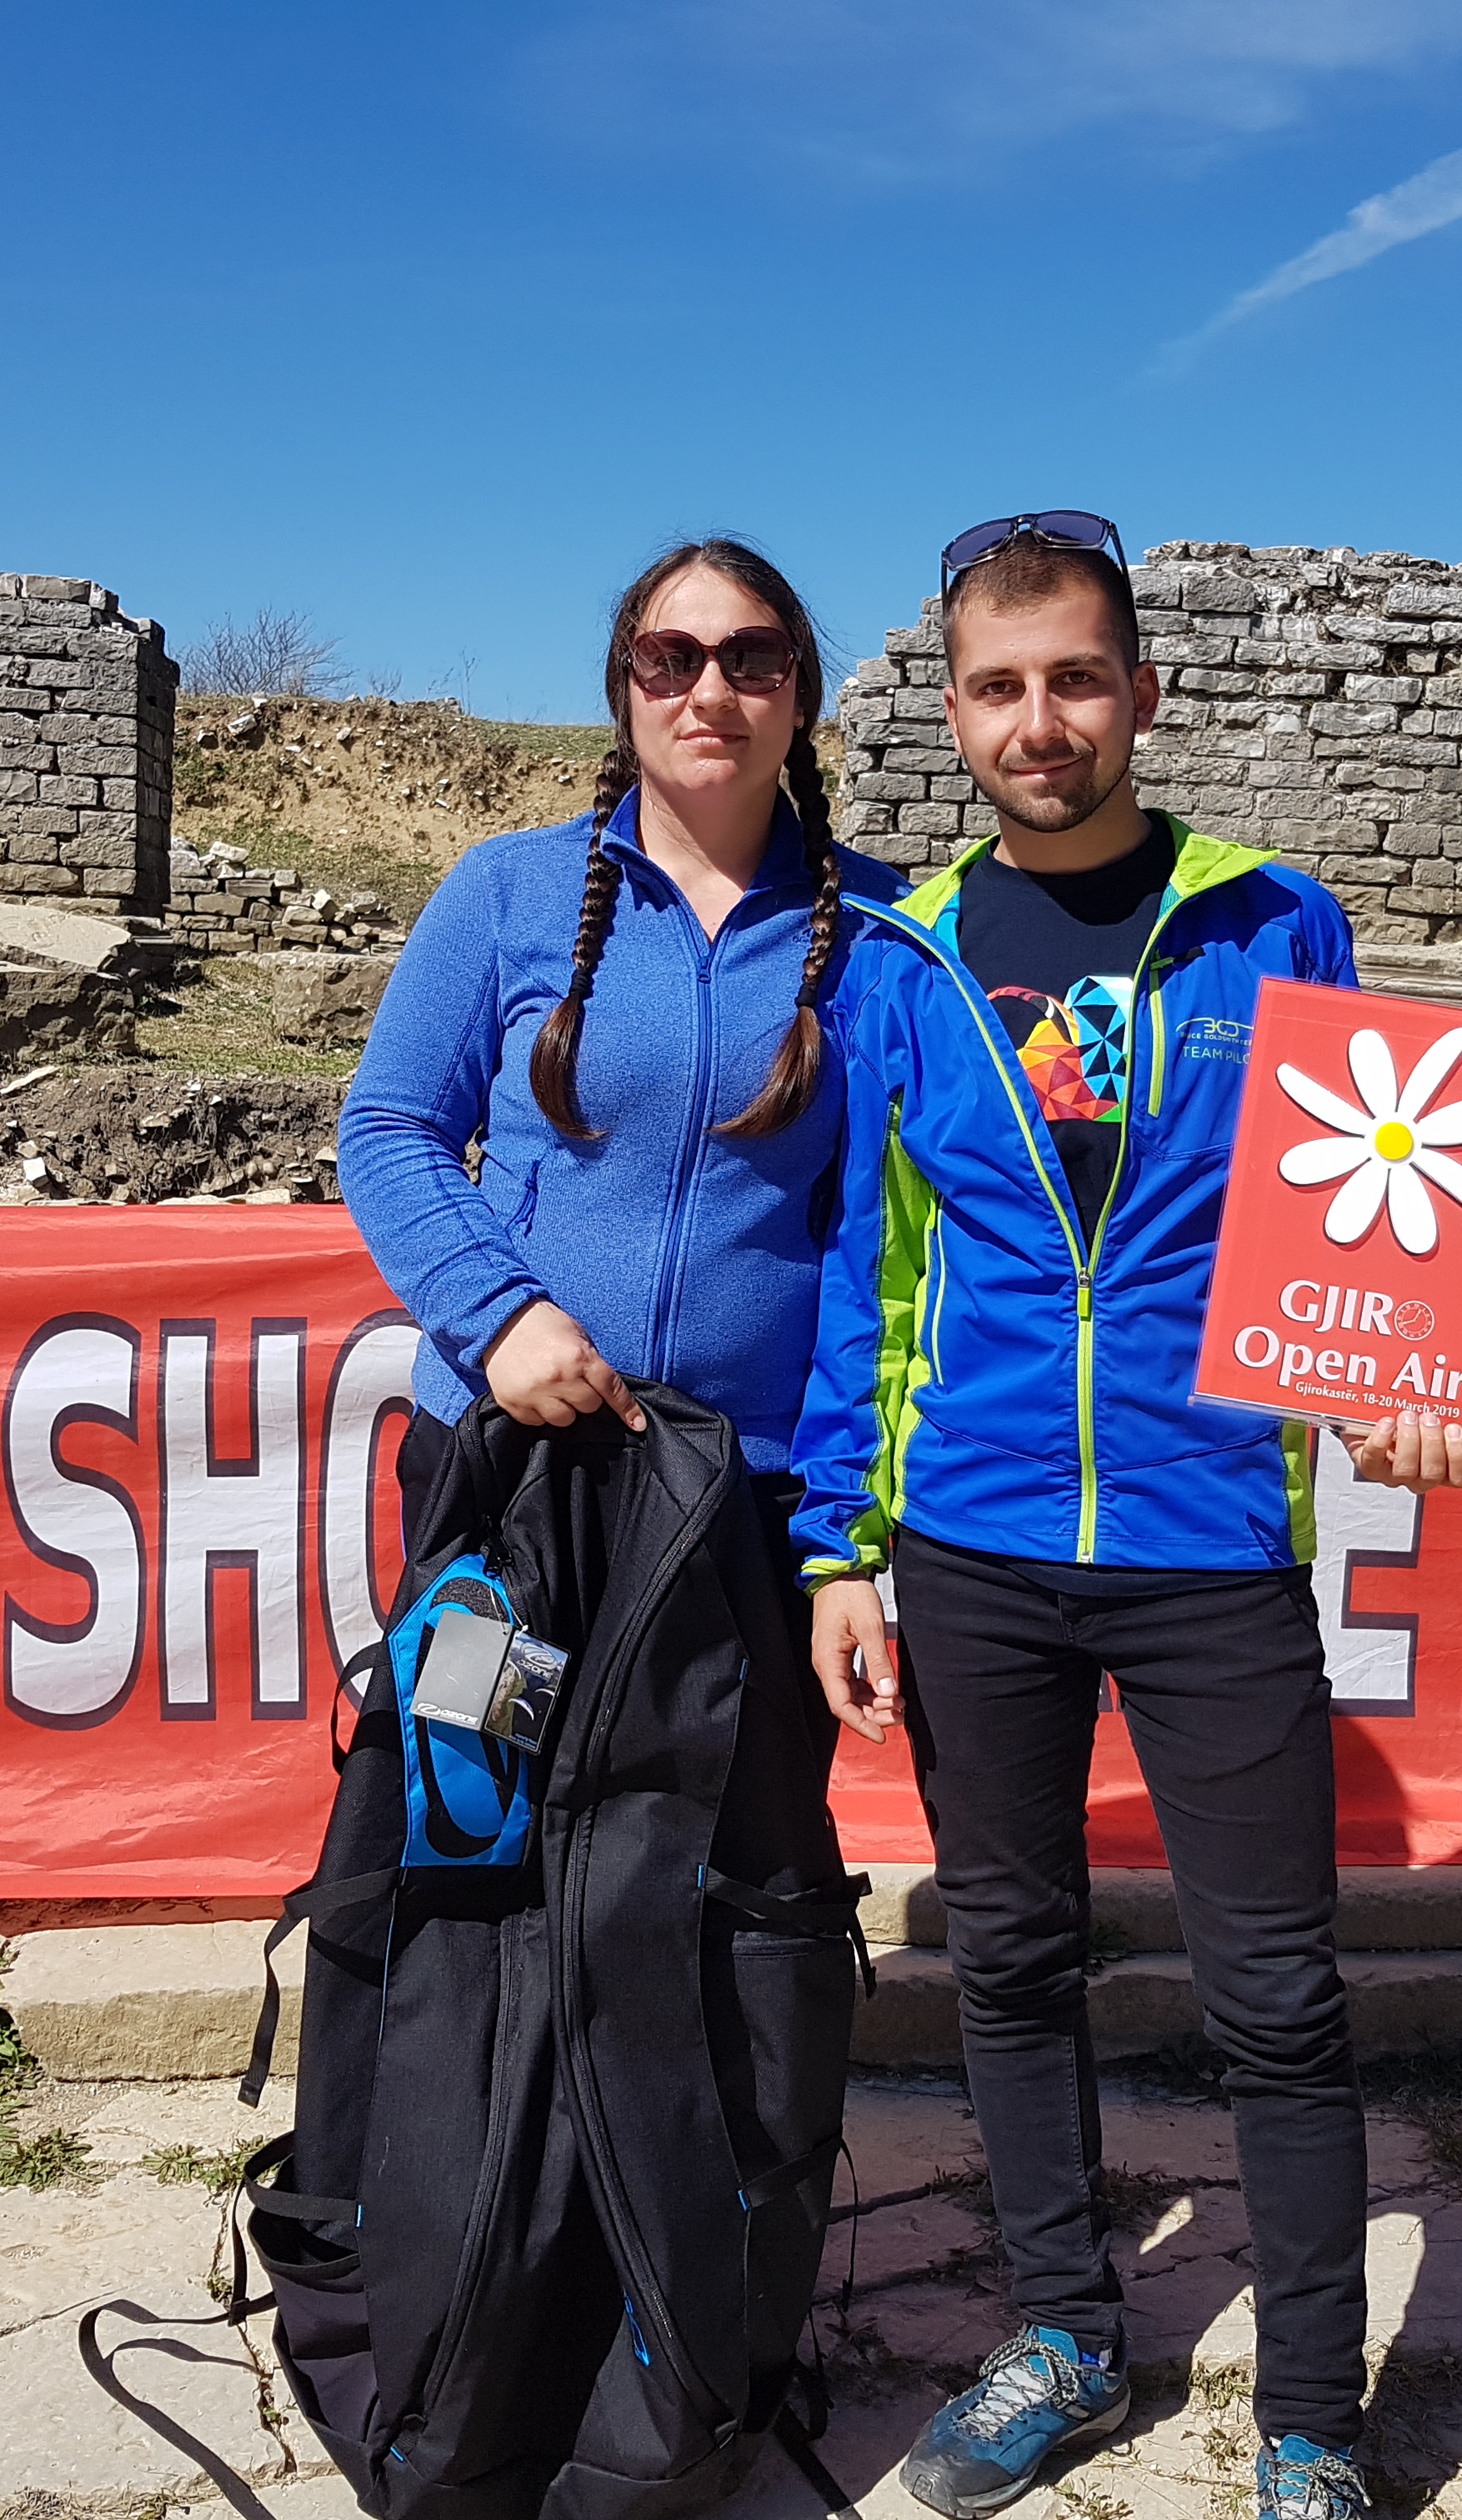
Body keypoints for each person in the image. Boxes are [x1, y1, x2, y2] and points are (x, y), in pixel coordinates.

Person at [795, 512, 1462, 2520]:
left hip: (1211, 1545)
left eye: (1073, 679)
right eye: (997, 687)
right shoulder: (903, 960)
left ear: (1140, 690)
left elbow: (1365, 1233)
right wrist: (840, 1545)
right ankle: (1064, 2334)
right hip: (973, 1543)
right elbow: (867, 1273)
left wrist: (1397, 1390)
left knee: (1275, 1997)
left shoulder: (1275, 921)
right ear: (954, 713)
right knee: (1011, 1962)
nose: (1038, 722)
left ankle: (1311, 2422)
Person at [336, 531, 900, 1889]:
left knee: (725, 1858)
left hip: (747, 1502)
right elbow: (390, 1128)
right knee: (479, 1827)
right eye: (670, 656)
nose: (710, 689)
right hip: (511, 1490)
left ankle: (716, 2051)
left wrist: (844, 1527)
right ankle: (476, 2046)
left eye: (752, 657)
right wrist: (500, 1315)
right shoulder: (506, 893)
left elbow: (882, 1235)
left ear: (801, 694)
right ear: (623, 686)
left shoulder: (886, 930)